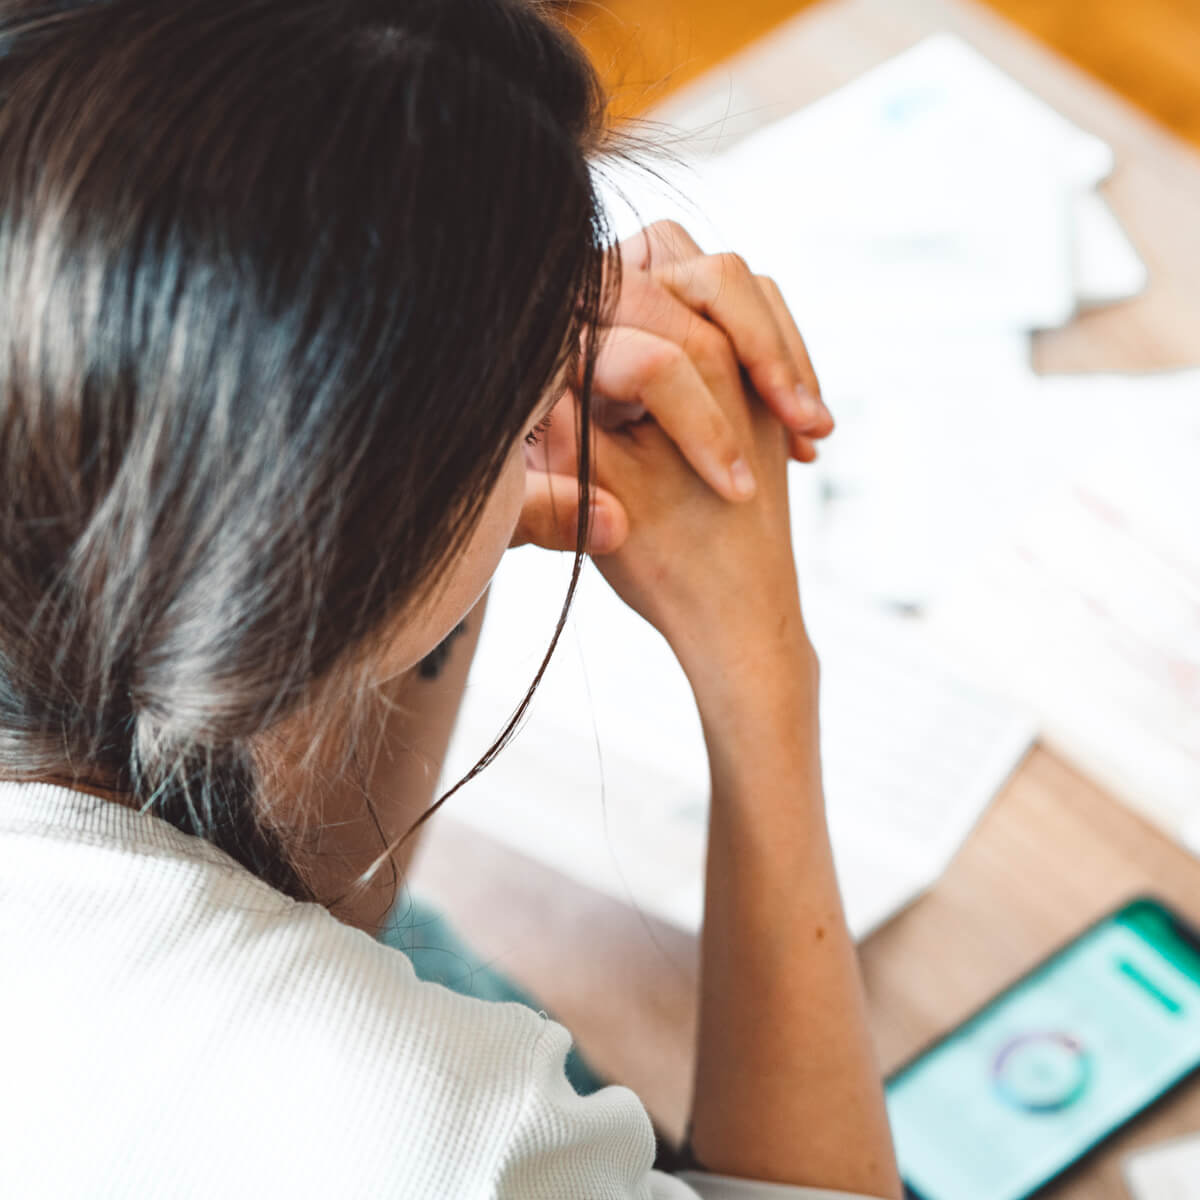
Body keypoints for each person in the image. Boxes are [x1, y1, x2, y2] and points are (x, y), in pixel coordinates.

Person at [0, 0, 902, 1196]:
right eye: (530, 414)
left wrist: (454, 464)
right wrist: (761, 669)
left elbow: (310, 885)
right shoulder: (440, 1134)